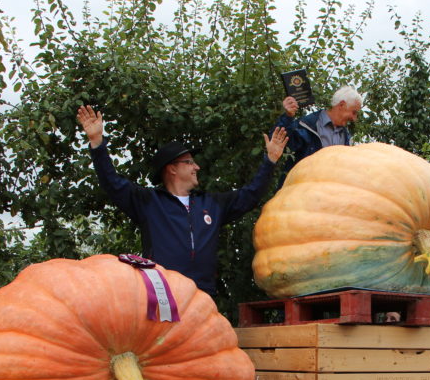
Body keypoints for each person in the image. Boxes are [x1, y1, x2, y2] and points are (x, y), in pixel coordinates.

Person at [76, 105, 288, 298]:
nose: (197, 167)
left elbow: (250, 195)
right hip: (162, 294)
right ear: (172, 168)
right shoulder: (148, 202)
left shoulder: (213, 204)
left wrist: (270, 161)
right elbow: (112, 182)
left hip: (203, 296)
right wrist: (97, 143)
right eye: (189, 162)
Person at [274, 85, 363, 174]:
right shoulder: (306, 125)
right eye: (354, 112)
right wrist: (287, 117)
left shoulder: (346, 137)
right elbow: (278, 144)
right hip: (303, 185)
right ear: (342, 105)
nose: (354, 118)